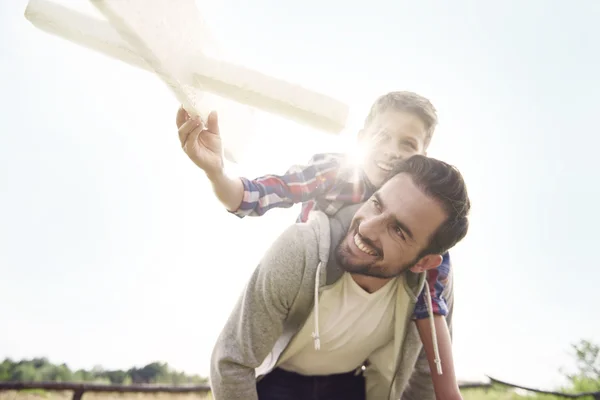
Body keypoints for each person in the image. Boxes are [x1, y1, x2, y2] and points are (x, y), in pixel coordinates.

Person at [176, 91, 459, 391]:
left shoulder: (424, 230)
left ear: (422, 158)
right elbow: (268, 192)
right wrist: (216, 173)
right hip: (307, 315)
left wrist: (444, 385)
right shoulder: (337, 172)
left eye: (407, 144)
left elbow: (432, 308)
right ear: (362, 139)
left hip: (349, 364)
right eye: (382, 137)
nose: (392, 152)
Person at [208, 155, 470, 399]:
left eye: (398, 231)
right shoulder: (300, 251)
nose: (367, 227)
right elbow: (232, 364)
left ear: (424, 262)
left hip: (351, 384)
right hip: (275, 381)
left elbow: (424, 382)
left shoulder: (428, 293)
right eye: (376, 204)